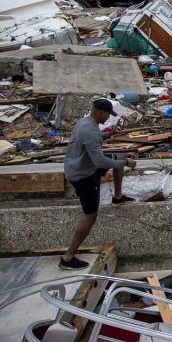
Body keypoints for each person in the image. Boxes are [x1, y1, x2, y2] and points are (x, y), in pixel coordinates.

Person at [60, 98, 137, 270]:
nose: (109, 117)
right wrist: (125, 163)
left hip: (81, 165)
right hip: (83, 175)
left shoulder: (85, 122)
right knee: (90, 215)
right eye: (108, 114)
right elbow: (100, 161)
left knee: (119, 157)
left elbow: (94, 142)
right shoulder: (90, 131)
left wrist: (110, 136)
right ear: (101, 112)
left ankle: (117, 196)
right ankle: (68, 257)